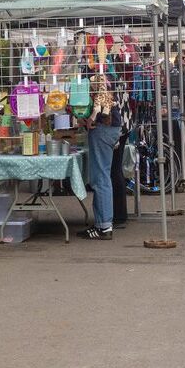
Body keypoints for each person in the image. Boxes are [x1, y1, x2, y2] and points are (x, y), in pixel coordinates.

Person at [84, 64, 124, 239]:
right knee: (102, 176)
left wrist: (92, 118)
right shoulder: (110, 73)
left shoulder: (101, 75)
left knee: (100, 178)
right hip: (111, 128)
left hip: (104, 128)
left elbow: (103, 101)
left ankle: (104, 226)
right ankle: (102, 223)